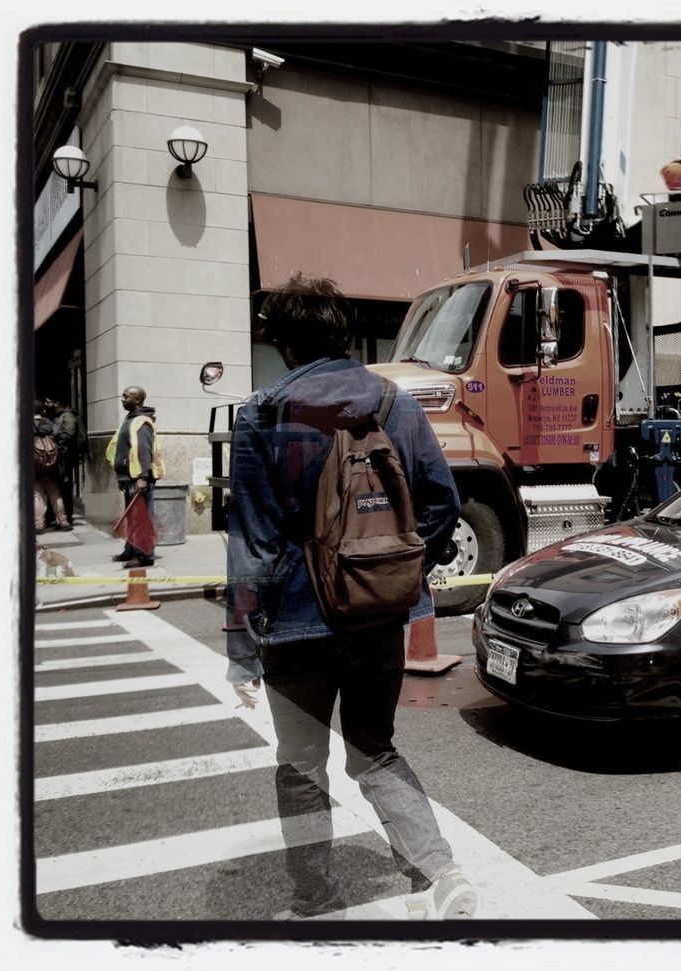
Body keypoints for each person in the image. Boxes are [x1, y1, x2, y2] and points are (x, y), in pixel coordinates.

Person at [224, 273, 477, 921]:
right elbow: (443, 501)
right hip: (378, 615)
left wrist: (239, 644)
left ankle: (318, 899)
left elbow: (251, 542)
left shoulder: (261, 414)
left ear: (282, 343)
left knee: (302, 764)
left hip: (295, 627)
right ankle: (439, 871)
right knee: (375, 746)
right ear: (341, 333)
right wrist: (397, 570)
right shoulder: (395, 402)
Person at [105, 386, 163, 566]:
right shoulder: (130, 419)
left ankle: (145, 556)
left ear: (137, 400)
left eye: (126, 396)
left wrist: (143, 477)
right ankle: (130, 550)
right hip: (130, 477)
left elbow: (144, 451)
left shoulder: (141, 422)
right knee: (132, 517)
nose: (122, 399)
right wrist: (123, 478)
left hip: (140, 478)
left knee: (142, 518)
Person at [44, 395, 86, 525]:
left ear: (56, 403)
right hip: (58, 456)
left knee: (65, 486)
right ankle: (55, 515)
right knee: (55, 486)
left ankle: (67, 515)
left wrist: (52, 436)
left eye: (48, 401)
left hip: (64, 457)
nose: (46, 403)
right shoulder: (54, 415)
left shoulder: (67, 416)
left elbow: (68, 434)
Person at [32, 400, 69, 533]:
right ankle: (64, 523)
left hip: (35, 467)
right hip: (52, 466)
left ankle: (39, 526)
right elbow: (60, 439)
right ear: (43, 411)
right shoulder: (51, 424)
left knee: (37, 496)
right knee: (56, 495)